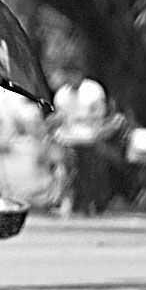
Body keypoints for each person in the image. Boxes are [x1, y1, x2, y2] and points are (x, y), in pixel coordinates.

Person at [49, 61, 109, 216]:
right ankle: (73, 204)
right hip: (69, 139)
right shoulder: (62, 94)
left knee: (89, 173)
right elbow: (60, 116)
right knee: (71, 173)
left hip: (89, 138)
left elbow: (100, 113)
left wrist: (91, 122)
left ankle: (91, 205)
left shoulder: (93, 90)